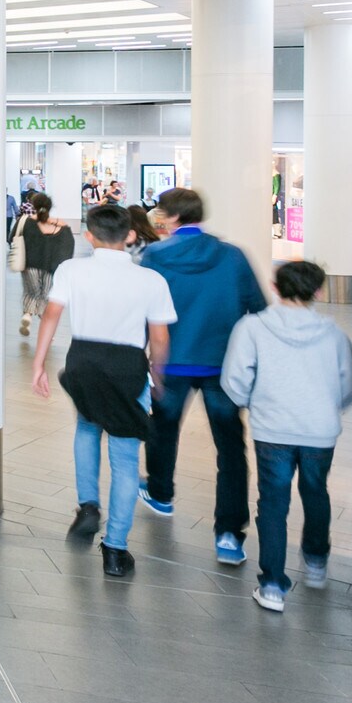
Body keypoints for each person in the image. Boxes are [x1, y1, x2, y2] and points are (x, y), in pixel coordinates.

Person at [30, 204, 176, 579]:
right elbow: (159, 337)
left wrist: (39, 364)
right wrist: (158, 377)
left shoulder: (72, 270)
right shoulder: (150, 280)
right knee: (125, 457)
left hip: (84, 359)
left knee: (87, 428)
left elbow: (51, 315)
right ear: (130, 236)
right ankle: (115, 549)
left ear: (89, 235)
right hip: (127, 364)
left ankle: (88, 505)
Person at [138, 187, 267, 566]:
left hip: (171, 363)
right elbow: (258, 308)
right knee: (230, 448)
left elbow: (145, 311)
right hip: (222, 367)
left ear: (171, 218)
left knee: (162, 430)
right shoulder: (233, 256)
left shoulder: (155, 256)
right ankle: (229, 533)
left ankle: (161, 493)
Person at [222, 260, 352, 613]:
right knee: (316, 492)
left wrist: (254, 403)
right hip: (320, 431)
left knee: (273, 502)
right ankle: (315, 561)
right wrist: (327, 410)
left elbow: (234, 380)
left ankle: (273, 587)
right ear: (319, 291)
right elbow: (346, 385)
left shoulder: (252, 327)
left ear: (275, 288)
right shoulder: (334, 334)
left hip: (273, 429)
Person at [15, 193, 74, 338]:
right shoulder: (61, 226)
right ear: (49, 207)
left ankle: (27, 315)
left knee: (31, 292)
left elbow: (12, 238)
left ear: (33, 206)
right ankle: (47, 330)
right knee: (45, 295)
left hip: (30, 264)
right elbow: (68, 245)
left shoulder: (25, 222)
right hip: (50, 267)